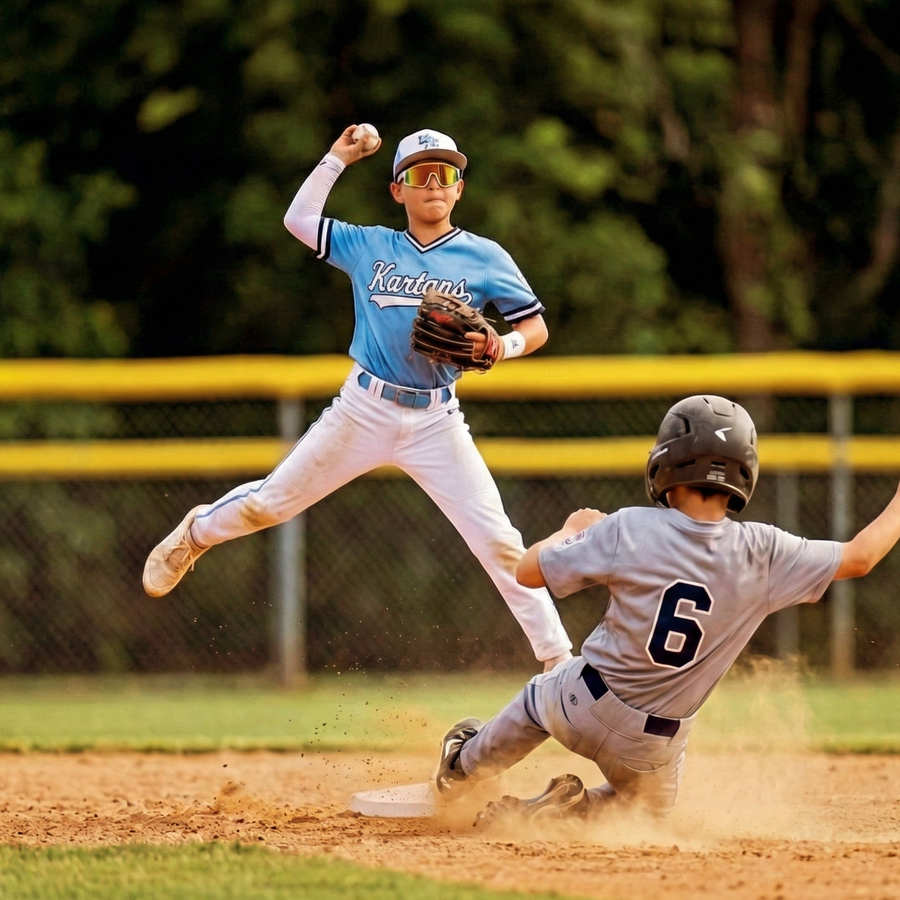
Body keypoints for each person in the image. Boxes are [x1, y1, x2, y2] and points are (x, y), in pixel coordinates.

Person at [142, 125, 573, 672]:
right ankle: (196, 532)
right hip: (364, 408)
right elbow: (298, 222)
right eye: (420, 174)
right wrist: (337, 158)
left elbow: (534, 328)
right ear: (399, 190)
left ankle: (560, 663)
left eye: (446, 174)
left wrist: (501, 345)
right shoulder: (371, 245)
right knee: (267, 504)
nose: (434, 184)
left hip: (438, 419)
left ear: (460, 188)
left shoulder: (484, 257)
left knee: (500, 543)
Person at [432, 394, 900, 826]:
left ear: (666, 462)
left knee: (540, 698)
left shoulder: (629, 527)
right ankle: (569, 812)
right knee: (643, 811)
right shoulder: (765, 551)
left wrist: (569, 529)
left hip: (582, 703)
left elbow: (529, 572)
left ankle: (462, 766)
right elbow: (861, 556)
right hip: (653, 748)